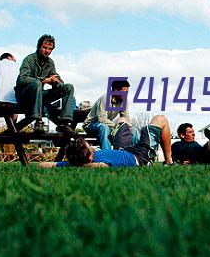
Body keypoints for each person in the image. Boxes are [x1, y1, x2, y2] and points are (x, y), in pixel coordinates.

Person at [39, 114, 174, 167]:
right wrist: (85, 165)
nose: (91, 146)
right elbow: (98, 166)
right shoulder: (99, 165)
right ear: (90, 155)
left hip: (122, 149)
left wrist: (73, 164)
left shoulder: (73, 163)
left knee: (122, 120)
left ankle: (126, 130)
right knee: (160, 119)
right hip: (139, 156)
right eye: (89, 146)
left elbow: (42, 165)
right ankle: (169, 162)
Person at [15, 34, 75, 135]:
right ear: (39, 47)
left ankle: (64, 123)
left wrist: (56, 82)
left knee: (68, 87)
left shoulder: (50, 63)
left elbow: (59, 81)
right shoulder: (29, 59)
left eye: (50, 49)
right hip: (24, 96)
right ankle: (38, 121)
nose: (47, 51)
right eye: (44, 48)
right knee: (37, 83)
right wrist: (44, 80)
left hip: (40, 96)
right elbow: (22, 79)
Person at [83, 80, 131, 150]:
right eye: (124, 92)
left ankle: (133, 157)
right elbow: (102, 120)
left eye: (127, 92)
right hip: (91, 125)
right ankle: (107, 154)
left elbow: (126, 118)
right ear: (116, 90)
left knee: (133, 130)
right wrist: (118, 127)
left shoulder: (124, 101)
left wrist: (128, 127)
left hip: (108, 126)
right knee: (104, 127)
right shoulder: (105, 99)